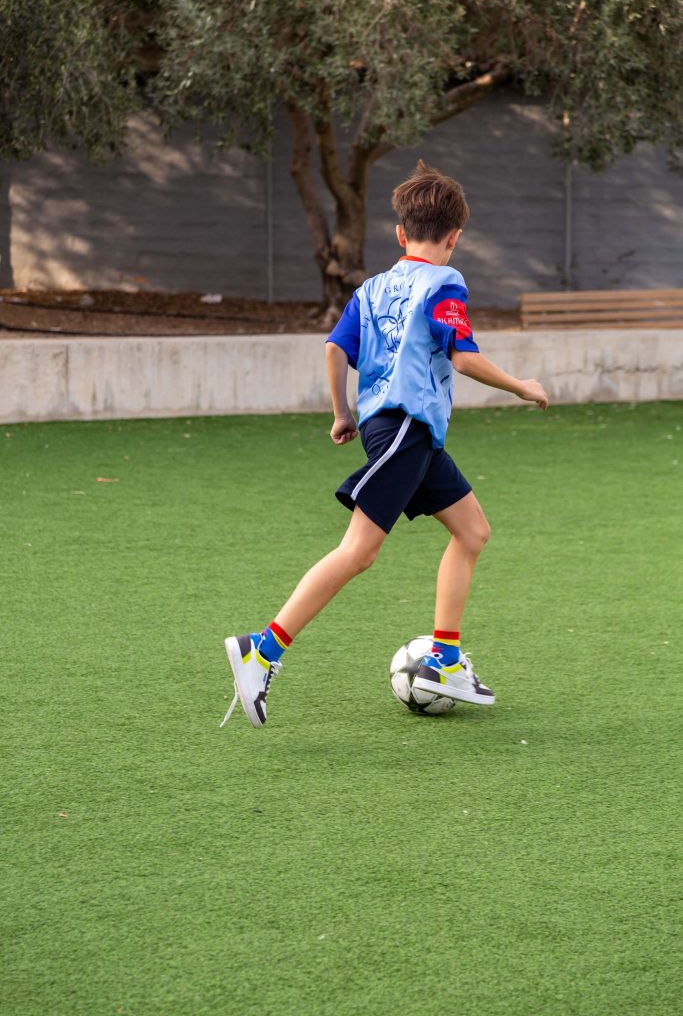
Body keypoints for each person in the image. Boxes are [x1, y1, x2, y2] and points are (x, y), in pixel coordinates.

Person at [221, 160, 548, 730]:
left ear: (400, 234)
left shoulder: (371, 288)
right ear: (454, 237)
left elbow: (334, 348)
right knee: (359, 552)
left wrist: (341, 413)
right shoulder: (445, 282)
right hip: (405, 430)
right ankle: (262, 651)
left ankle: (445, 660)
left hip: (398, 430)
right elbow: (463, 357)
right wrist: (521, 385)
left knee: (472, 531)